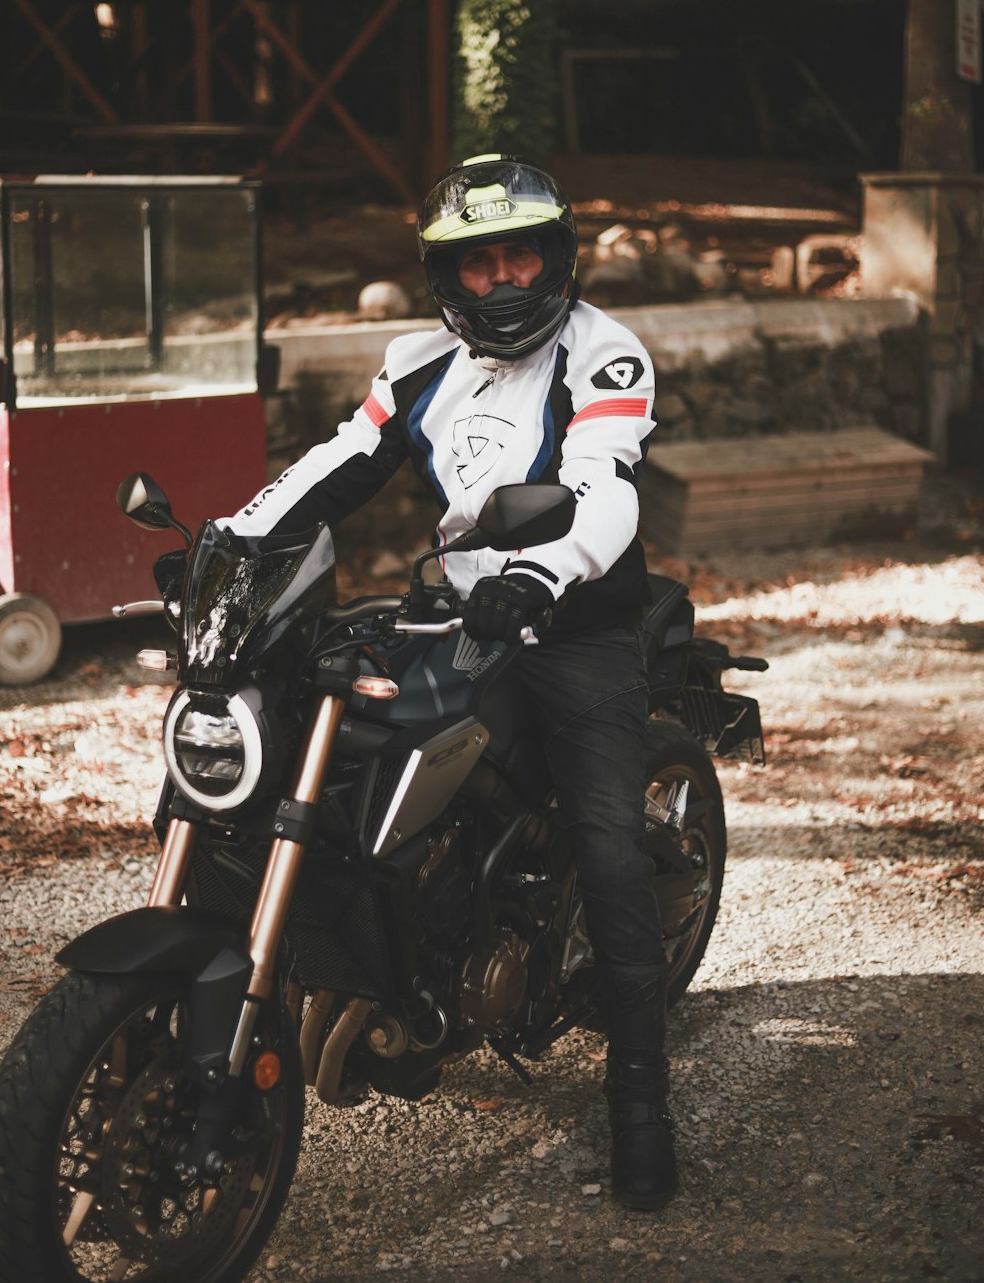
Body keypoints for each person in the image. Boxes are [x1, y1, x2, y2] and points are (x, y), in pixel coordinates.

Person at [223, 154, 677, 1210]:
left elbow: (604, 489)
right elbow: (340, 461)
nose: (506, 279)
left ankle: (642, 1106)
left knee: (611, 848)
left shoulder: (603, 353)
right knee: (362, 770)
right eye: (480, 264)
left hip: (573, 625)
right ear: (448, 276)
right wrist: (229, 543)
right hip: (461, 617)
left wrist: (539, 573)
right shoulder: (421, 360)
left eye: (523, 253)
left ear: (557, 256)